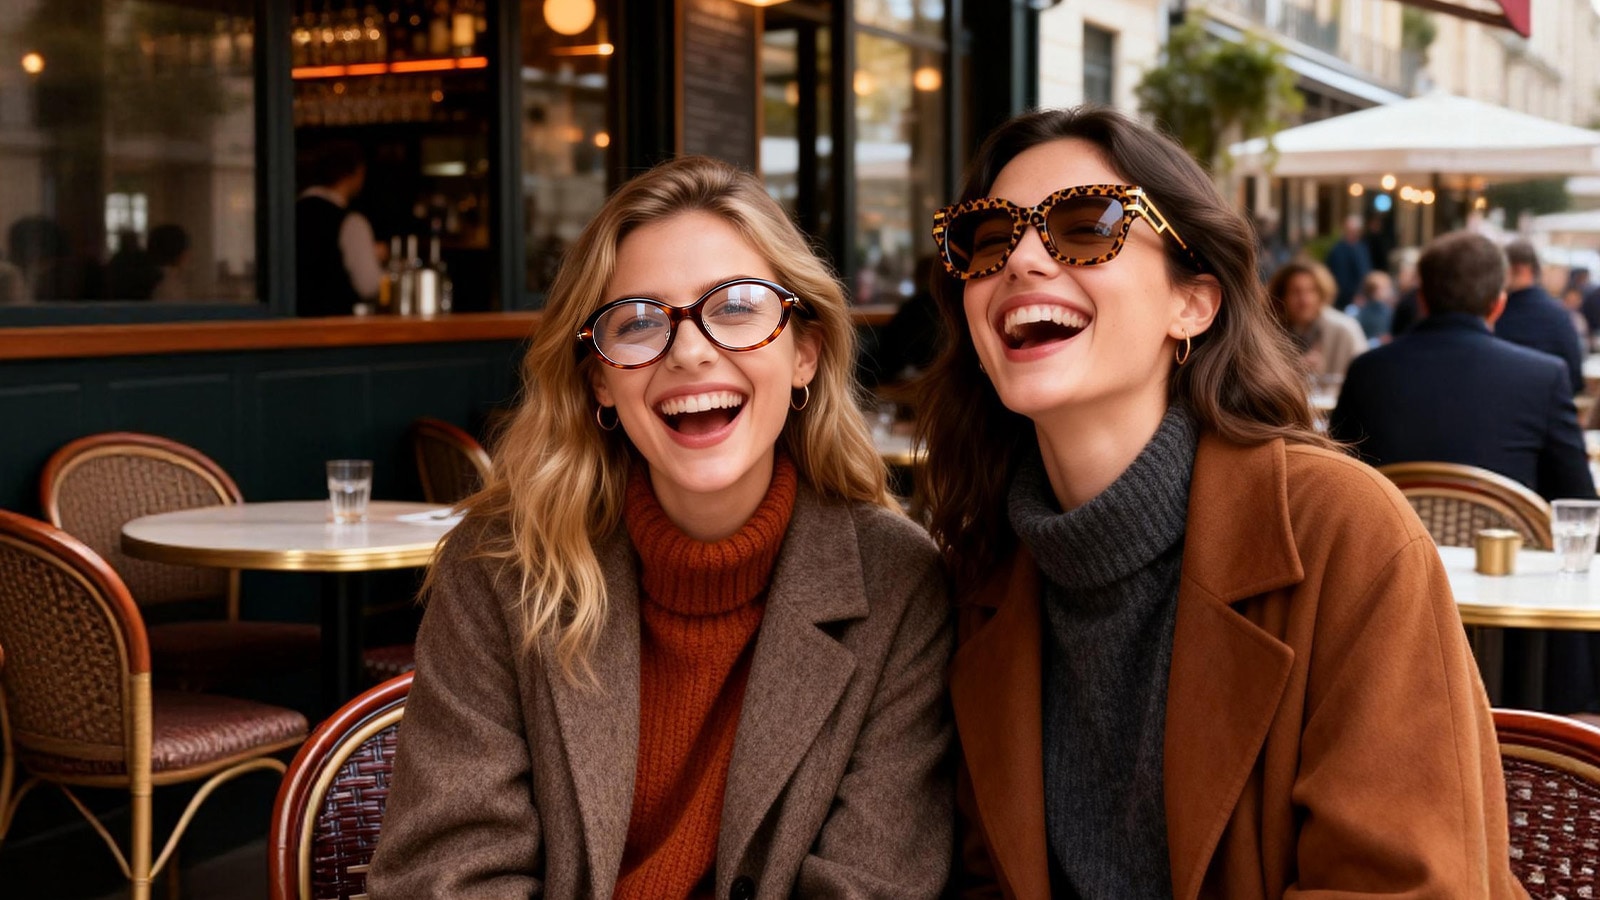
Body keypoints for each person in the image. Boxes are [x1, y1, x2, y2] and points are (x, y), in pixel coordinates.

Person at [917, 107, 1519, 898]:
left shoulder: (1345, 532)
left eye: (1085, 223)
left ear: (1193, 304)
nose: (1021, 259)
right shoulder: (980, 570)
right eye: (988, 238)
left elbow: (1404, 885)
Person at [368, 156, 953, 898]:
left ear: (804, 351)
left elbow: (872, 886)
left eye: (737, 307)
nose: (691, 350)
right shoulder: (500, 571)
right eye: (638, 322)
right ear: (600, 380)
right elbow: (443, 879)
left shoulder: (901, 587)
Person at [1330, 231, 1594, 502]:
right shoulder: (1545, 377)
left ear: (1421, 300)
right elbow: (1577, 499)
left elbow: (1336, 478)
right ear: (1498, 305)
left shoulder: (1367, 370)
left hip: (1388, 539)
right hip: (1501, 542)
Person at [294, 140, 384, 317]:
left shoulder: (289, 214)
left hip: (290, 326)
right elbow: (369, 285)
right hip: (334, 330)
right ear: (356, 172)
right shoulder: (352, 223)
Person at [1498, 239, 1585, 396]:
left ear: (1521, 270)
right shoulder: (1558, 314)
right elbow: (1575, 376)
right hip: (1545, 406)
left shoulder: (1500, 312)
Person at [1266, 258, 1366, 379]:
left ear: (1322, 293)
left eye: (1311, 291)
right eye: (1295, 292)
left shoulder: (1345, 329)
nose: (1304, 300)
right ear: (1282, 296)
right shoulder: (1272, 332)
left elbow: (1364, 377)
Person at [1322, 214, 1371, 310]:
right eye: (1349, 230)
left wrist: (1361, 293)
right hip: (1341, 297)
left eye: (1354, 231)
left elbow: (1365, 272)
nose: (1352, 233)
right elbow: (1333, 273)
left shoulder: (1361, 248)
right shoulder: (1337, 250)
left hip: (1358, 297)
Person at [1350, 269, 1395, 345]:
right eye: (1385, 288)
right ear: (1376, 291)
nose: (1389, 291)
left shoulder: (1360, 312)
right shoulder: (1386, 312)